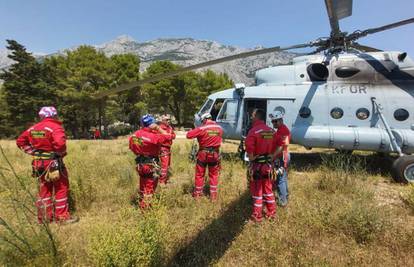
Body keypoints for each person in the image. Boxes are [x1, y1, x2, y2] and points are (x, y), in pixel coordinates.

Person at [16, 106, 78, 224]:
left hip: (38, 164)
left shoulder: (33, 129)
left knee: (44, 189)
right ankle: (62, 217)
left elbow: (20, 142)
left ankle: (44, 218)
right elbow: (60, 145)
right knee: (61, 188)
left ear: (41, 116)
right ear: (54, 115)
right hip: (54, 164)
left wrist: (33, 152)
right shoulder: (55, 127)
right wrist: (59, 154)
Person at [129, 114, 172, 209]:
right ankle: (145, 211)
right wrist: (158, 128)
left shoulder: (135, 135)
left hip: (140, 164)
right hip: (150, 165)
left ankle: (141, 203)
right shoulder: (153, 137)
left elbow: (132, 147)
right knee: (149, 189)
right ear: (152, 124)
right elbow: (169, 137)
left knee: (142, 185)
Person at [245, 108, 277, 222]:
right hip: (269, 166)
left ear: (257, 116)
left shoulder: (253, 132)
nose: (251, 117)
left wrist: (251, 157)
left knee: (257, 191)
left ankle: (257, 215)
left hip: (257, 166)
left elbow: (249, 149)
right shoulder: (271, 131)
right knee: (268, 190)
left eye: (253, 115)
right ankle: (272, 213)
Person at [186, 113, 223, 201]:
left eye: (202, 121)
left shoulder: (202, 128)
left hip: (203, 154)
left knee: (199, 175)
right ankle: (213, 196)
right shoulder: (219, 128)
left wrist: (196, 129)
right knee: (214, 175)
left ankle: (198, 195)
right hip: (215, 154)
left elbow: (188, 135)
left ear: (205, 120)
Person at [270, 110, 291, 207]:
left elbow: (282, 146)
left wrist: (272, 156)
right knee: (283, 177)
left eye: (275, 121)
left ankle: (283, 201)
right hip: (282, 156)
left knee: (280, 179)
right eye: (272, 121)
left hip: (282, 157)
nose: (273, 123)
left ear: (280, 120)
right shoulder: (280, 130)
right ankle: (285, 196)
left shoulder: (284, 131)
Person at [158, 114, 176, 185]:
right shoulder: (159, 128)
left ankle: (166, 179)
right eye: (167, 120)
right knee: (164, 166)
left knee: (167, 165)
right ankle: (161, 182)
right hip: (162, 148)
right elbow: (159, 138)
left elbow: (174, 136)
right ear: (163, 121)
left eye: (169, 120)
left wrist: (170, 136)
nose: (169, 121)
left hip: (168, 148)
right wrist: (169, 136)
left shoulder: (170, 127)